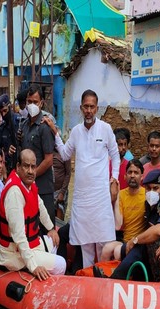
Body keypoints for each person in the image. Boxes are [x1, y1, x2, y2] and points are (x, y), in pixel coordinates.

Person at [47, 90, 120, 268]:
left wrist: (114, 179)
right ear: (81, 108)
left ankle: (103, 279)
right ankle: (88, 276)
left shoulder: (106, 128)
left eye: (92, 107)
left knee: (103, 243)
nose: (88, 110)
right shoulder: (76, 132)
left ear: (97, 108)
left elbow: (115, 155)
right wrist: (55, 133)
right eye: (85, 107)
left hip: (100, 196)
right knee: (86, 245)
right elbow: (64, 154)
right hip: (82, 198)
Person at [0, 149, 66, 280]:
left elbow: (40, 206)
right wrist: (33, 266)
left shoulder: (29, 183)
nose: (30, 171)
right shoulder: (14, 193)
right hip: (13, 253)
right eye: (26, 166)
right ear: (18, 167)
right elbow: (18, 236)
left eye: (33, 166)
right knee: (61, 264)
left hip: (28, 245)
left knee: (53, 242)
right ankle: (34, 279)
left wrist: (51, 229)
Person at [94, 169, 160, 280]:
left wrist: (135, 239)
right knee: (122, 250)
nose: (151, 192)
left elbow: (158, 231)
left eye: (155, 188)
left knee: (139, 247)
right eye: (148, 188)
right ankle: (112, 275)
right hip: (148, 252)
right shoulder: (149, 203)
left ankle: (115, 278)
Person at [18, 83, 56, 222]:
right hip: (27, 188)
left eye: (35, 102)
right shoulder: (24, 125)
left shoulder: (44, 127)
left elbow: (48, 160)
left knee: (45, 230)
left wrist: (32, 176)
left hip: (42, 188)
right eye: (29, 102)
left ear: (41, 103)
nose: (31, 105)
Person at [101, 159, 147, 262]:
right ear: (125, 176)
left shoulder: (146, 195)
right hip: (125, 240)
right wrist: (117, 197)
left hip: (140, 242)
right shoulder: (121, 194)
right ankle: (104, 276)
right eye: (130, 172)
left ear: (142, 176)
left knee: (117, 251)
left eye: (136, 173)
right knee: (106, 249)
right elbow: (118, 225)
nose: (132, 175)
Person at [0, 93, 19, 173]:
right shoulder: (3, 128)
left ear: (10, 107)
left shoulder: (20, 123)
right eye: (1, 112)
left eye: (5, 111)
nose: (4, 114)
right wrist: (6, 154)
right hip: (9, 169)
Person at [142, 131, 160, 196]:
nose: (154, 149)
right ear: (148, 147)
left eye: (157, 146)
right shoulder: (144, 168)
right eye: (152, 146)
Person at [53, 146, 71, 221]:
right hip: (49, 191)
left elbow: (68, 174)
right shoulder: (47, 152)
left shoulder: (65, 154)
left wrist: (62, 192)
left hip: (59, 191)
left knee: (59, 221)